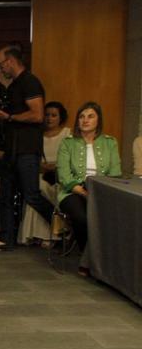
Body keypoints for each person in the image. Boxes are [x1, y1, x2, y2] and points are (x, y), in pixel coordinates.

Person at [0, 46, 51, 251]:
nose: (0, 69)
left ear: (10, 61)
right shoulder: (14, 85)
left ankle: (62, 222)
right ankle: (5, 239)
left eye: (1, 65)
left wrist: (10, 117)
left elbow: (37, 115)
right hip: (13, 147)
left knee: (31, 194)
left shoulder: (30, 82)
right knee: (5, 193)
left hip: (27, 148)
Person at [57, 102, 122, 272]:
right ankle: (90, 260)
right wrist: (82, 191)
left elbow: (115, 173)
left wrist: (97, 193)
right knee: (83, 217)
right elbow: (63, 175)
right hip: (73, 191)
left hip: (102, 191)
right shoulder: (67, 143)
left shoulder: (110, 143)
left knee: (114, 216)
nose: (85, 120)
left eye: (90, 116)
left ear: (98, 121)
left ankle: (104, 261)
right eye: (82, 116)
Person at [18, 101, 70, 245]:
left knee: (37, 188)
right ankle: (36, 235)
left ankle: (52, 236)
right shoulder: (36, 135)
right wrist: (41, 166)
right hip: (39, 172)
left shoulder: (68, 134)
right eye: (47, 115)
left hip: (60, 175)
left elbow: (72, 158)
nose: (49, 118)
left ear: (61, 117)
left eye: (54, 115)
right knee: (34, 186)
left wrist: (57, 166)